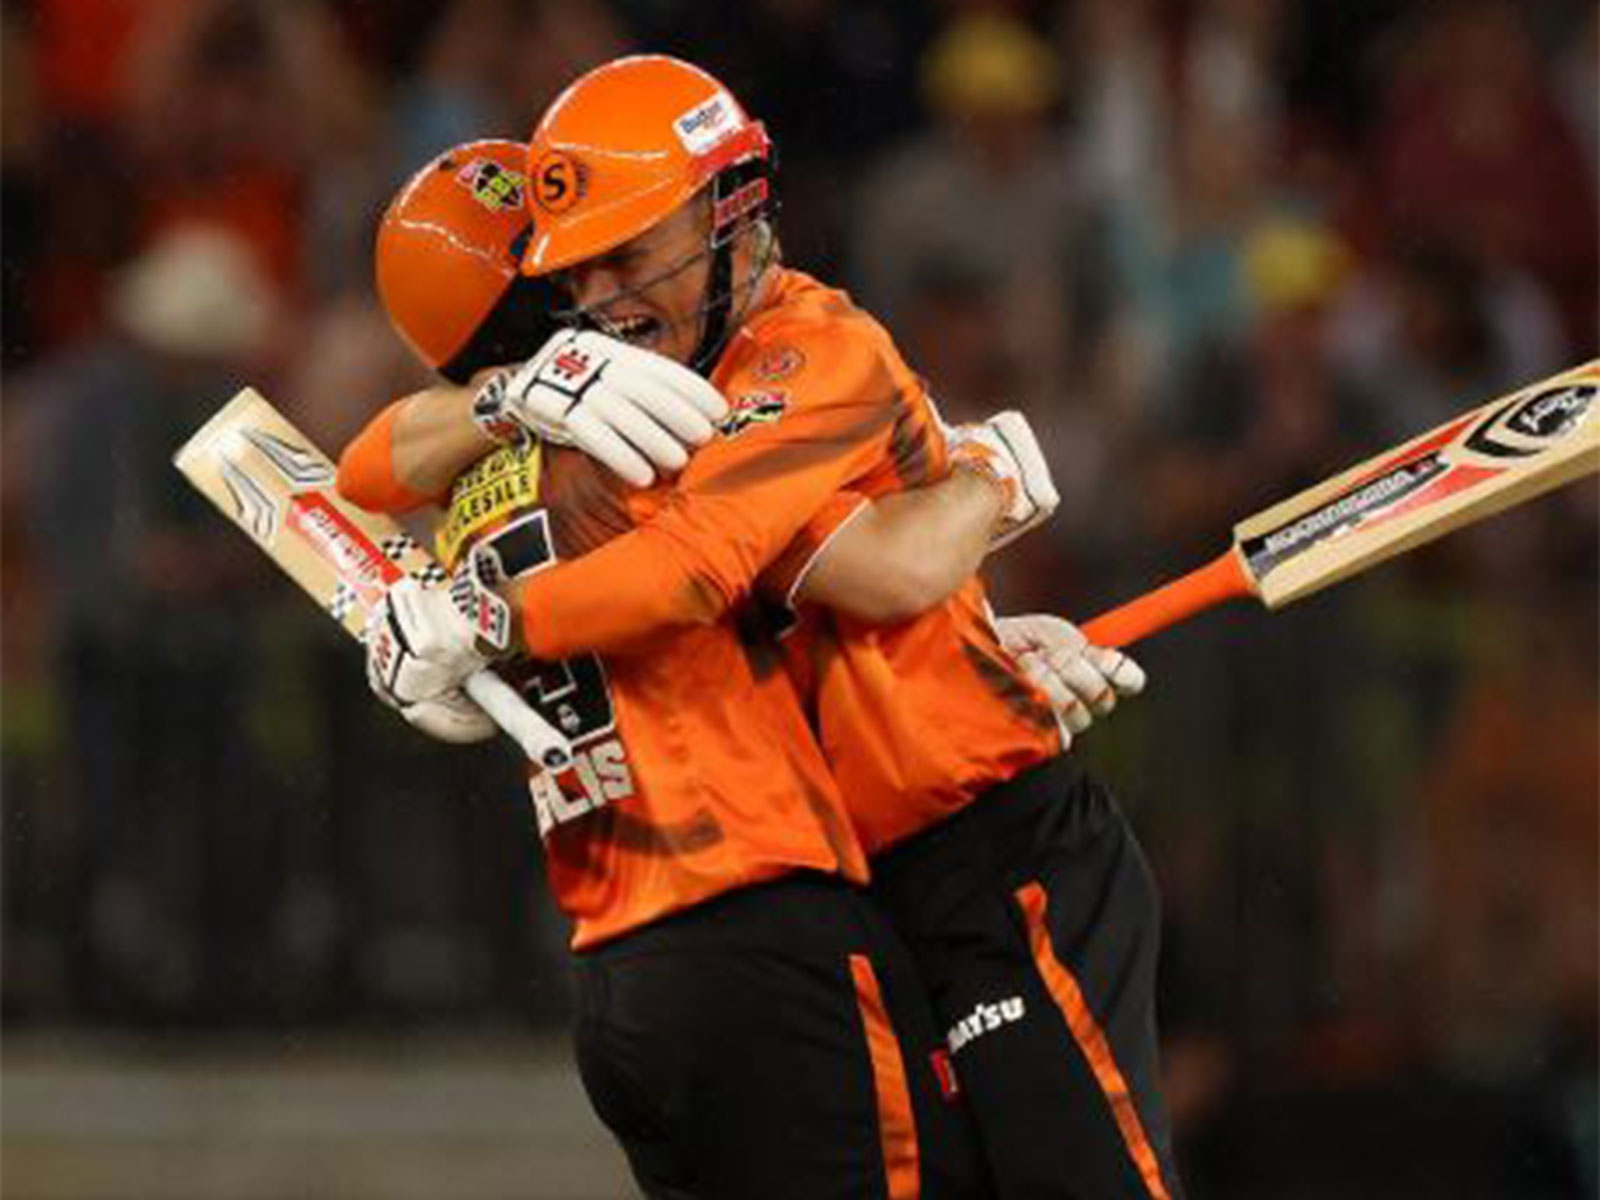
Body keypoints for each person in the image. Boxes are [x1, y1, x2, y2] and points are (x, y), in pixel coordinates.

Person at [358, 56, 1171, 1197]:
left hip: (992, 851)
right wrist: (981, 512)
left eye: (628, 256)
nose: (603, 301)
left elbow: (841, 574)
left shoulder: (804, 352)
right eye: (576, 275)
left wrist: (482, 616)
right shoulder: (632, 414)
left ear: (731, 215)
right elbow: (871, 577)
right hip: (853, 887)